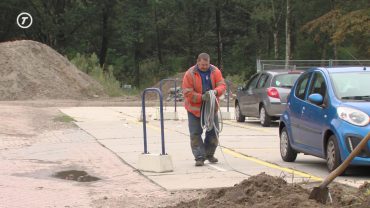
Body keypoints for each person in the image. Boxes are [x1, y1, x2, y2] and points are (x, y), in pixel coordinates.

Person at [182, 53, 226, 166]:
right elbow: (187, 91)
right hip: (194, 109)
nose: (204, 67)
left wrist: (216, 91)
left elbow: (222, 85)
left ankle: (209, 154)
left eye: (206, 64)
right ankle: (199, 157)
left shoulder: (215, 71)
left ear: (209, 62)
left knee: (214, 132)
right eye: (202, 65)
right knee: (195, 133)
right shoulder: (190, 74)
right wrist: (201, 97)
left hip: (211, 108)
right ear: (197, 62)